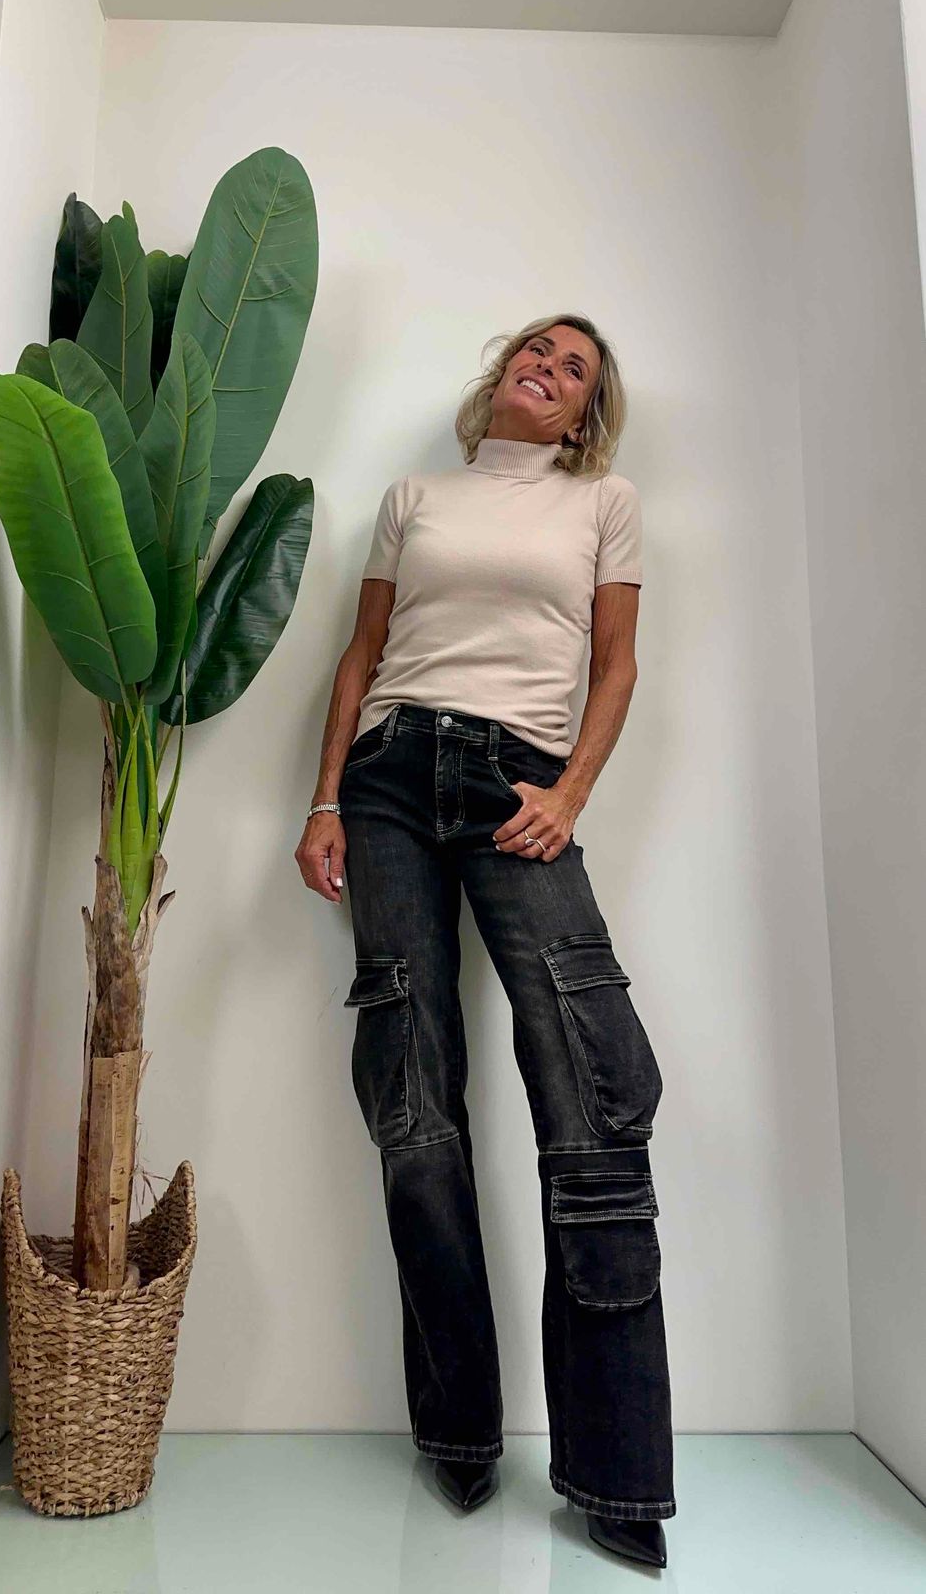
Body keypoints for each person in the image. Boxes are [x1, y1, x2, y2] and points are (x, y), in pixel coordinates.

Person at [295, 314, 674, 1571]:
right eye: (536, 349)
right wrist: (324, 799)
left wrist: (570, 795)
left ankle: (616, 1473)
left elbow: (615, 666)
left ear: (583, 415)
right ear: (501, 369)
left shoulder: (604, 503)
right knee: (412, 1107)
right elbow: (360, 656)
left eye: (573, 370)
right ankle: (456, 1431)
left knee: (593, 1095)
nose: (546, 368)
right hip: (391, 781)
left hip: (518, 781)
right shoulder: (415, 497)